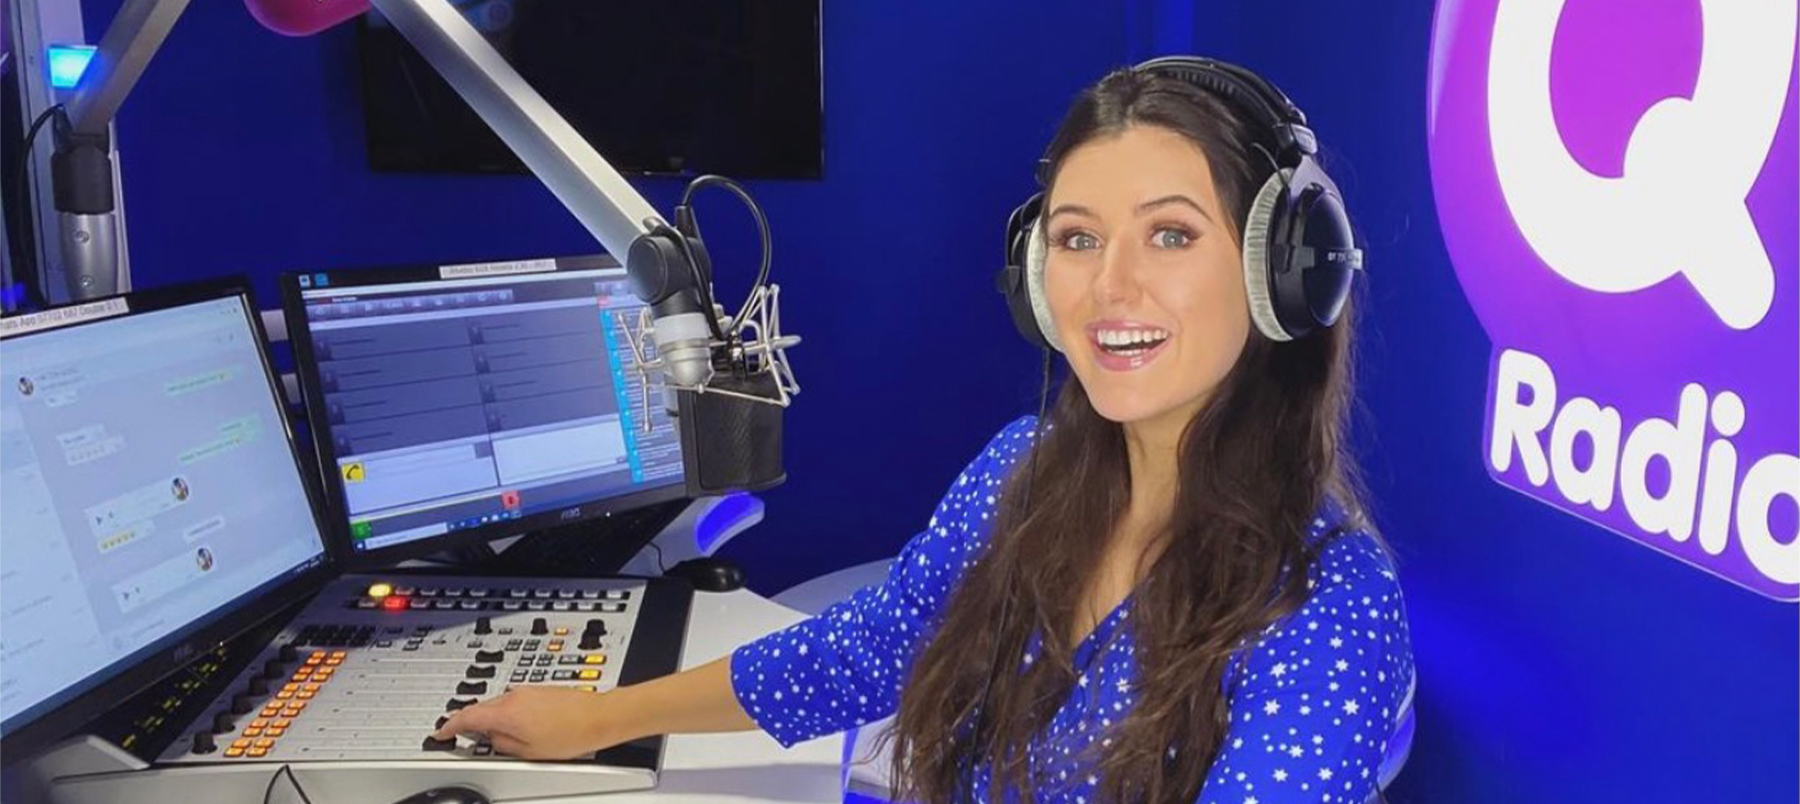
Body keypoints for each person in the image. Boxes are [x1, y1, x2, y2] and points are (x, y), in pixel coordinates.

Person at [435, 57, 1415, 804]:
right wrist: (596, 720)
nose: (1109, 287)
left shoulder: (1328, 607)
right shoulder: (1025, 474)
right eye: (1077, 238)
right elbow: (863, 654)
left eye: (1171, 233)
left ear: (1286, 270)